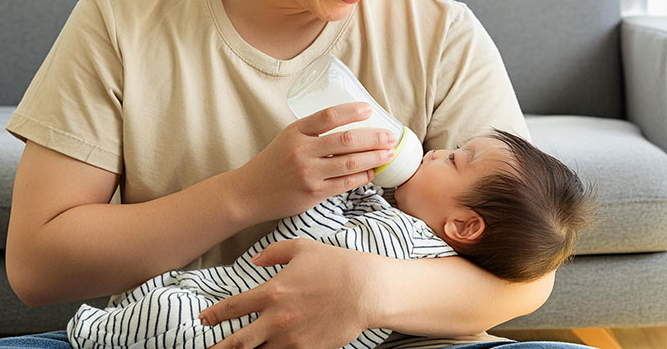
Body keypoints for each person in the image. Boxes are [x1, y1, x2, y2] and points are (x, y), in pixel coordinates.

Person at [0, 0, 596, 348]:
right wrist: (246, 193)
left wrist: (369, 290)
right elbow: (37, 266)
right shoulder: (124, 17)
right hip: (184, 334)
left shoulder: (441, 32)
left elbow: (528, 277)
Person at [66, 130, 597, 349]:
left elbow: (312, 241)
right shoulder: (409, 234)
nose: (435, 151)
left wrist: (339, 182)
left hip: (232, 327)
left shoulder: (405, 248)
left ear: (463, 226)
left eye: (454, 159)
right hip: (223, 298)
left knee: (170, 320)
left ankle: (90, 331)